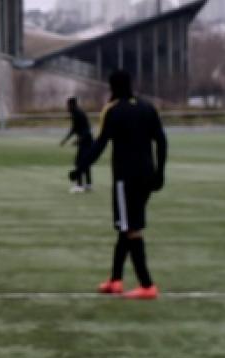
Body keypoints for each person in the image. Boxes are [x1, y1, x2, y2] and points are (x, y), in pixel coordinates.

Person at [77, 70, 167, 300]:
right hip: (146, 176)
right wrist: (160, 173)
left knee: (131, 229)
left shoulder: (114, 111)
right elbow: (161, 141)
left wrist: (81, 167)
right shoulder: (148, 107)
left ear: (112, 87)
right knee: (126, 227)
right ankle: (115, 280)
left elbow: (100, 144)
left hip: (125, 179)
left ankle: (147, 285)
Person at [60, 97, 93, 193]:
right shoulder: (76, 113)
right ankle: (88, 184)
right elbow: (74, 129)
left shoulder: (78, 113)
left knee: (78, 162)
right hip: (85, 140)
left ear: (72, 105)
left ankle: (79, 185)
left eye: (68, 105)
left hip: (86, 141)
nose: (67, 107)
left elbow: (87, 129)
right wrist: (65, 140)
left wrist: (79, 139)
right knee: (85, 162)